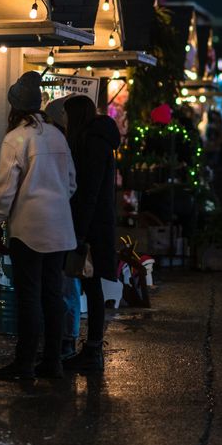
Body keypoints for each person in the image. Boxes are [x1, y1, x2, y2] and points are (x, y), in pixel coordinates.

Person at [0, 72, 77, 381]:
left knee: (29, 296)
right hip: (60, 229)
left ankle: (24, 363)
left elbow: (5, 186)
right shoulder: (57, 135)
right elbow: (71, 183)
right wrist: (55, 204)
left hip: (28, 228)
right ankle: (53, 361)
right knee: (52, 295)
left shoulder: (15, 138)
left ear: (14, 108)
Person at [63, 95, 121, 373]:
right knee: (91, 286)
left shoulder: (93, 143)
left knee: (92, 286)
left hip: (92, 228)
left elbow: (89, 193)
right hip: (97, 224)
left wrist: (80, 233)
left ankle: (93, 349)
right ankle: (92, 348)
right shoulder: (98, 140)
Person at [44, 94, 81, 359]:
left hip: (63, 224)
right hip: (67, 223)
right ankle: (63, 341)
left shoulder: (66, 144)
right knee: (64, 285)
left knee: (64, 285)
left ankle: (64, 342)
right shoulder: (71, 143)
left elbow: (71, 186)